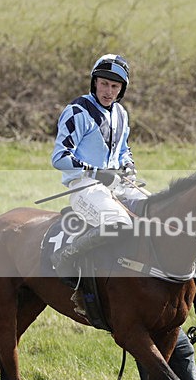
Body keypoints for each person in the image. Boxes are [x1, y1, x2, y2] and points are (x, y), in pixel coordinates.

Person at [50, 53, 145, 275]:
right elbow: (59, 157)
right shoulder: (77, 111)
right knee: (118, 223)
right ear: (94, 82)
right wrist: (96, 173)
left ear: (122, 89)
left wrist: (128, 165)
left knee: (156, 212)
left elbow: (123, 150)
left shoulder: (121, 113)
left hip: (117, 185)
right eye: (104, 84)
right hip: (84, 187)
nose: (108, 91)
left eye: (115, 86)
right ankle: (66, 257)